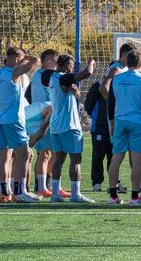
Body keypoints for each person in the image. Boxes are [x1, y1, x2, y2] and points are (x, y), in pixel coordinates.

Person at [0, 47, 40, 203]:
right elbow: (36, 61)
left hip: (0, 120)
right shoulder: (14, 73)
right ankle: (20, 191)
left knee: (5, 156)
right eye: (20, 59)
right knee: (24, 153)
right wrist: (24, 57)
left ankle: (5, 191)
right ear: (17, 59)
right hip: (14, 120)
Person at [107, 50, 141, 205]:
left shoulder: (116, 79)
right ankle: (135, 198)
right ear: (140, 64)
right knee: (136, 162)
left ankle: (113, 196)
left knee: (116, 159)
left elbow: (111, 103)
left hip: (120, 121)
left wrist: (112, 123)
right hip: (137, 122)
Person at [49, 54, 96, 203]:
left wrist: (74, 92)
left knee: (58, 160)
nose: (72, 69)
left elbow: (67, 91)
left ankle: (55, 194)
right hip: (69, 126)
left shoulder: (52, 78)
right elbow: (87, 73)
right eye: (71, 65)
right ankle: (75, 194)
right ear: (67, 65)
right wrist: (91, 62)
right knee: (76, 159)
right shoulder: (63, 77)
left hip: (56, 126)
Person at [24, 49, 63, 197]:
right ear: (48, 62)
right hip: (44, 115)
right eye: (55, 60)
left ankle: (45, 186)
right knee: (45, 152)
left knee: (47, 152)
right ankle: (41, 186)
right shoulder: (45, 76)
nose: (57, 64)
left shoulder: (38, 75)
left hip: (43, 113)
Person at [98, 43, 136, 194]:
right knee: (118, 151)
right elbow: (103, 88)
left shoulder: (125, 69)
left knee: (127, 150)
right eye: (131, 54)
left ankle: (120, 183)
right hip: (119, 116)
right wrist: (115, 105)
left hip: (123, 115)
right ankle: (114, 185)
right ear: (125, 54)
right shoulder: (116, 68)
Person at [85, 74, 111, 193]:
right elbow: (88, 104)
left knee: (114, 155)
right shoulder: (98, 85)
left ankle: (114, 182)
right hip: (99, 127)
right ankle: (97, 182)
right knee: (98, 155)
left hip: (115, 127)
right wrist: (97, 117)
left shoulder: (119, 84)